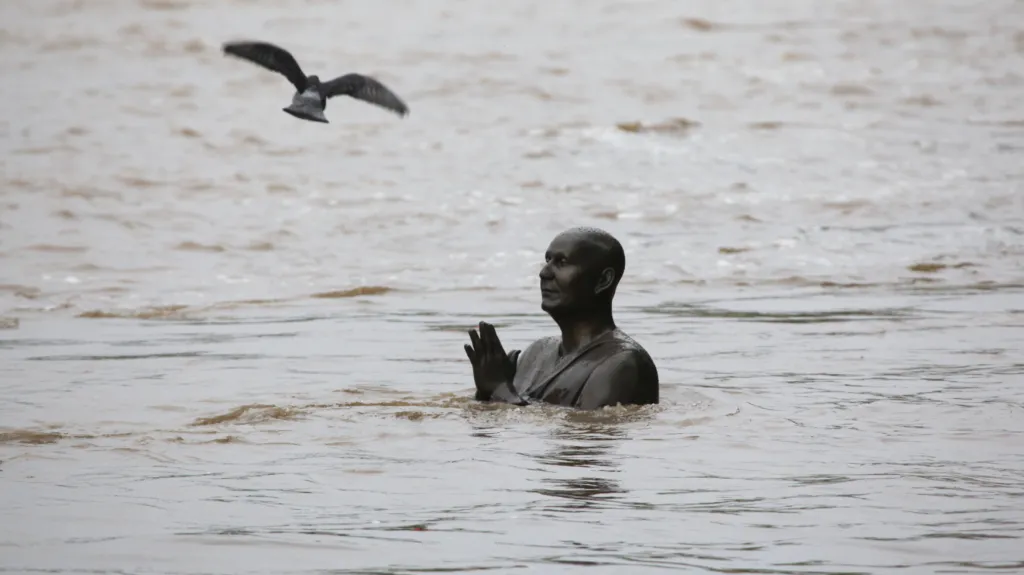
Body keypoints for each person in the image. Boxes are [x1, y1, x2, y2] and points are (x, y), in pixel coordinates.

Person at [464, 227, 659, 409]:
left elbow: (584, 435)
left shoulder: (622, 364)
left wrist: (500, 390)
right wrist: (485, 391)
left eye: (562, 262)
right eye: (547, 260)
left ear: (603, 280)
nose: (544, 273)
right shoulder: (536, 353)